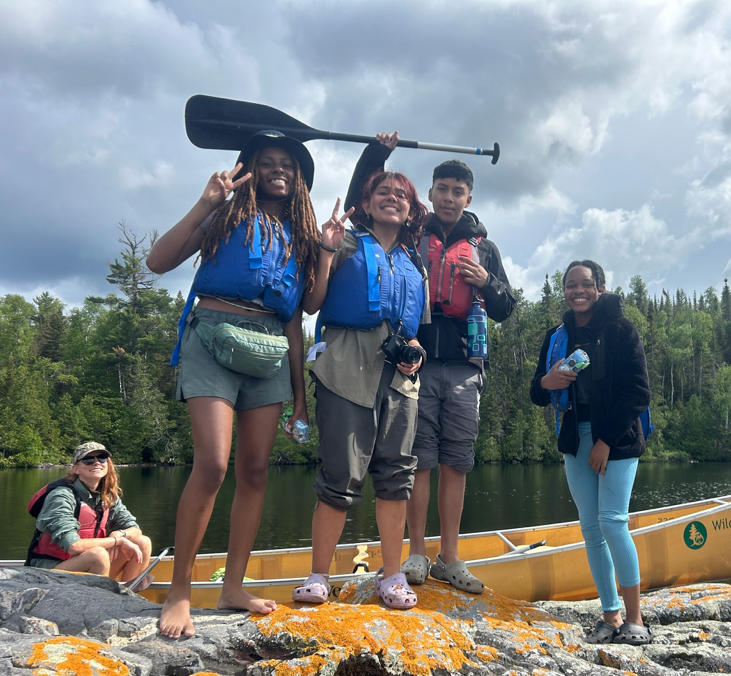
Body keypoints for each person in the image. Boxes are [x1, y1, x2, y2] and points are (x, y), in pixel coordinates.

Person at [146, 130, 319, 638]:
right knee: (214, 462)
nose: (278, 169)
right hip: (214, 334)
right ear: (251, 169)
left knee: (257, 469)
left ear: (299, 176)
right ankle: (179, 592)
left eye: (287, 163)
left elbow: (295, 321)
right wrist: (204, 202)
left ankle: (232, 587)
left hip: (269, 346)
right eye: (267, 162)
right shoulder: (225, 215)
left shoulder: (303, 236)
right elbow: (158, 261)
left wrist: (300, 401)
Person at [345, 134, 515, 594]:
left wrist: (487, 282)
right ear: (433, 191)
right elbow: (358, 206)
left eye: (458, 191)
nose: (448, 197)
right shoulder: (411, 233)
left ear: (469, 198)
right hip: (414, 365)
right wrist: (378, 154)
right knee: (418, 460)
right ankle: (416, 552)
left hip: (464, 364)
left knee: (456, 461)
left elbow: (505, 307)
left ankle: (451, 557)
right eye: (442, 188)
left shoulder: (485, 248)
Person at [292, 169, 429, 609]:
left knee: (396, 476)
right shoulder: (345, 243)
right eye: (382, 193)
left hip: (399, 379)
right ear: (366, 204)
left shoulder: (414, 264)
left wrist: (415, 352)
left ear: (410, 210)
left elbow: (415, 331)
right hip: (345, 367)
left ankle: (392, 578)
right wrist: (326, 246)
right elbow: (311, 302)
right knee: (339, 476)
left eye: (400, 195)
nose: (392, 199)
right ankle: (319, 576)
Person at [529, 260, 653, 645]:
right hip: (574, 439)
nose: (577, 290)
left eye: (585, 284)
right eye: (570, 284)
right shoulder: (557, 335)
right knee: (590, 528)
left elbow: (638, 392)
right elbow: (537, 392)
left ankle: (635, 619)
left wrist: (604, 442)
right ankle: (610, 615)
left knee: (613, 521)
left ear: (600, 287)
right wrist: (547, 381)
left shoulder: (619, 330)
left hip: (615, 438)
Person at [26, 442, 153, 589]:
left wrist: (121, 534)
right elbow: (74, 546)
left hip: (86, 567)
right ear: (76, 468)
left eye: (102, 458)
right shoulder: (61, 497)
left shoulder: (107, 496)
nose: (97, 462)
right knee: (97, 555)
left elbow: (135, 529)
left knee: (142, 542)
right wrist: (116, 541)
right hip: (48, 574)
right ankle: (99, 605)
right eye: (88, 460)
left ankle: (125, 599)